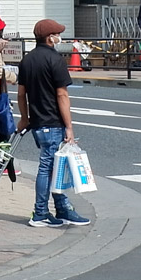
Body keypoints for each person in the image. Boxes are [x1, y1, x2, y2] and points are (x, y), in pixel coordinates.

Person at [19, 18, 90, 228]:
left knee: (53, 167)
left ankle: (62, 208)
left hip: (37, 122)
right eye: (57, 34)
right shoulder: (55, 60)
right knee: (47, 167)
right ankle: (40, 212)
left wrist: (24, 117)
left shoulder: (27, 60)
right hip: (53, 122)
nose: (60, 37)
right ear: (50, 38)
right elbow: (62, 95)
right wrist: (69, 126)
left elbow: (21, 93)